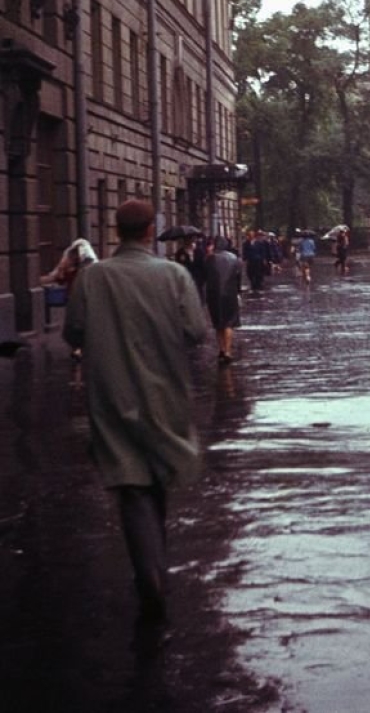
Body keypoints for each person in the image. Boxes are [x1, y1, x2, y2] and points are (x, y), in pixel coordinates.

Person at [62, 200, 206, 629]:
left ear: (117, 230)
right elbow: (196, 332)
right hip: (165, 394)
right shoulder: (174, 275)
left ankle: (150, 574)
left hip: (112, 394)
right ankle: (153, 574)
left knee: (132, 486)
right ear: (148, 231)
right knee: (154, 478)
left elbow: (73, 331)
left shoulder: (94, 277)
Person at [41, 238, 98, 361]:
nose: (76, 257)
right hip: (73, 300)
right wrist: (61, 271)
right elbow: (59, 279)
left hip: (86, 300)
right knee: (75, 325)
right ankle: (77, 348)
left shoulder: (89, 269)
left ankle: (81, 348)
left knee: (83, 324)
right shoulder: (71, 268)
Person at [205, 236, 244, 364]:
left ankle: (221, 349)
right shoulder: (234, 258)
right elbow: (238, 277)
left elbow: (205, 274)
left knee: (218, 323)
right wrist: (238, 292)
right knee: (228, 323)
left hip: (213, 294)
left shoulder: (210, 258)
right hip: (230, 294)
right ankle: (227, 350)